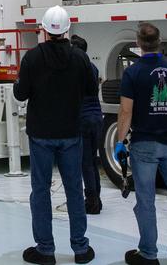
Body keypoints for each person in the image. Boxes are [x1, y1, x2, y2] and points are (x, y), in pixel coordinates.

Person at [14, 5, 96, 265]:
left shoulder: (32, 58)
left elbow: (20, 94)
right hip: (71, 133)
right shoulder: (80, 58)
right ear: (67, 29)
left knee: (40, 190)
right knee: (74, 189)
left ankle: (45, 249)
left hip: (41, 135)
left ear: (44, 29)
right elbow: (91, 90)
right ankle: (80, 249)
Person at [113, 23, 167, 265]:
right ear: (160, 41)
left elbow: (126, 112)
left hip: (144, 145)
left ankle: (148, 254)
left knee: (146, 200)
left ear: (138, 43)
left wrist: (119, 141)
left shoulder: (132, 73)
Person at [70, 34, 104, 214]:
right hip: (97, 117)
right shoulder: (93, 68)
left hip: (82, 119)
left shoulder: (74, 69)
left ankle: (91, 202)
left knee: (85, 164)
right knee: (92, 160)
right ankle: (96, 197)